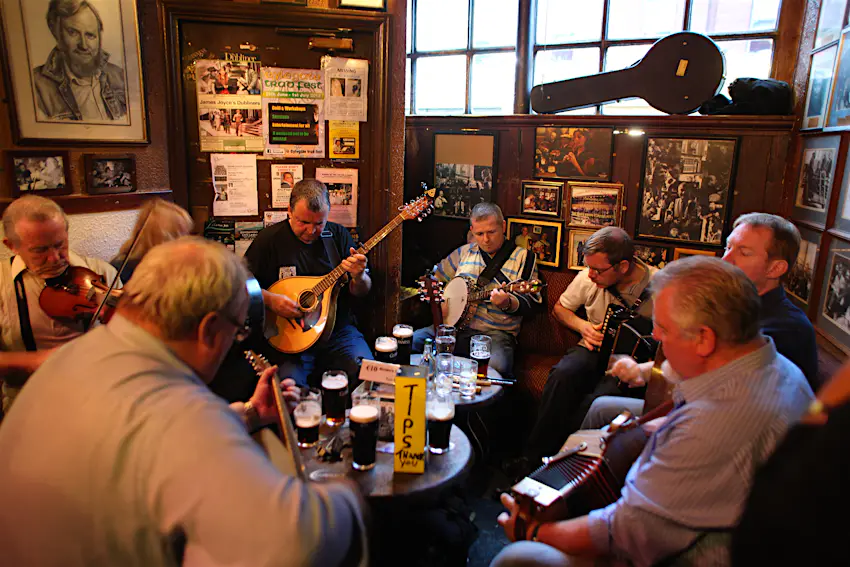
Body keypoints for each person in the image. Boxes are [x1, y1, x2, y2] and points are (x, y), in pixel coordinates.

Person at [0, 237, 366, 566]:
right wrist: (349, 492)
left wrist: (249, 414)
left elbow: (141, 447)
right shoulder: (181, 413)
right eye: (237, 332)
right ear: (208, 330)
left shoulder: (71, 356)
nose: (234, 343)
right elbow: (298, 544)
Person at [492, 257, 814, 567]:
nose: (656, 337)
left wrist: (533, 532)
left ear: (704, 338)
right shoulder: (775, 367)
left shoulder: (711, 426)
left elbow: (622, 533)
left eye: (664, 328)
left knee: (515, 558)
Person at [584, 213, 821, 430]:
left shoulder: (786, 329)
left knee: (604, 416)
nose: (726, 259)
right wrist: (643, 371)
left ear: (776, 268)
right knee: (600, 406)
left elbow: (726, 402)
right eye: (728, 247)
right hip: (698, 407)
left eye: (744, 252)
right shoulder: (732, 306)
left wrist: (657, 428)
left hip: (733, 431)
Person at [517, 227, 655, 468]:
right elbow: (560, 309)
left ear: (622, 266)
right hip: (592, 347)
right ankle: (531, 459)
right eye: (587, 266)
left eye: (597, 270)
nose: (589, 275)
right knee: (562, 376)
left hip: (632, 360)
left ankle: (567, 463)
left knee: (598, 399)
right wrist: (583, 327)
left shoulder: (659, 285)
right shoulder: (589, 275)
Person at [244, 179, 373, 386]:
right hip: (288, 337)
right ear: (289, 211)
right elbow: (242, 283)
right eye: (303, 222)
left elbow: (362, 291)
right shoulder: (269, 239)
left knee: (368, 375)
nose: (311, 231)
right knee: (289, 389)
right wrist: (270, 300)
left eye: (319, 223)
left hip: (337, 331)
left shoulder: (338, 235)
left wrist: (359, 277)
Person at [0, 195, 120, 412]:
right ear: (12, 246)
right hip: (27, 405)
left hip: (99, 398)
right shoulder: (1, 283)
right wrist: (34, 361)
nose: (55, 258)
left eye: (60, 245)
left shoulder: (102, 274)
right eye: (40, 250)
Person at [412, 203, 542, 376]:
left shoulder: (524, 257)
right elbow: (434, 280)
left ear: (503, 226)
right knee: (409, 342)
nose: (485, 240)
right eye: (479, 234)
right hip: (453, 329)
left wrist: (507, 302)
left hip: (495, 335)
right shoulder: (463, 253)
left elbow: (533, 303)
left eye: (491, 232)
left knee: (496, 370)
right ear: (472, 230)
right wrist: (439, 302)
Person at [33, 0, 127, 121]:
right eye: (73, 33)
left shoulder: (121, 78)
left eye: (90, 35)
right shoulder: (37, 87)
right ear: (57, 34)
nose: (83, 45)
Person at [110, 198, 194, 282]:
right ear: (163, 238)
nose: (187, 240)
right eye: (181, 235)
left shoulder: (181, 264)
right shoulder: (121, 269)